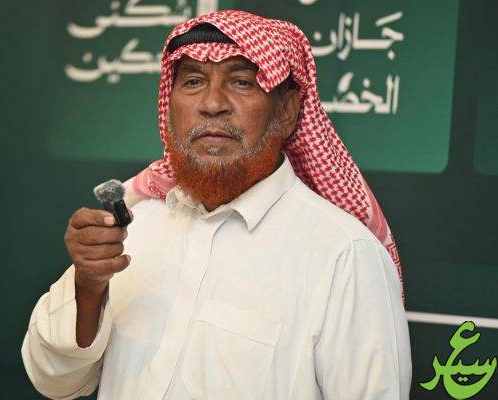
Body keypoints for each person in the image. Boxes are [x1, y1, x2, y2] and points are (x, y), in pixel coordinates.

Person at [21, 10, 411, 400]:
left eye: (242, 82)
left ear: (287, 111)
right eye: (193, 81)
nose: (212, 104)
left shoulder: (344, 255)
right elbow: (55, 381)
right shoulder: (136, 226)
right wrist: (89, 287)